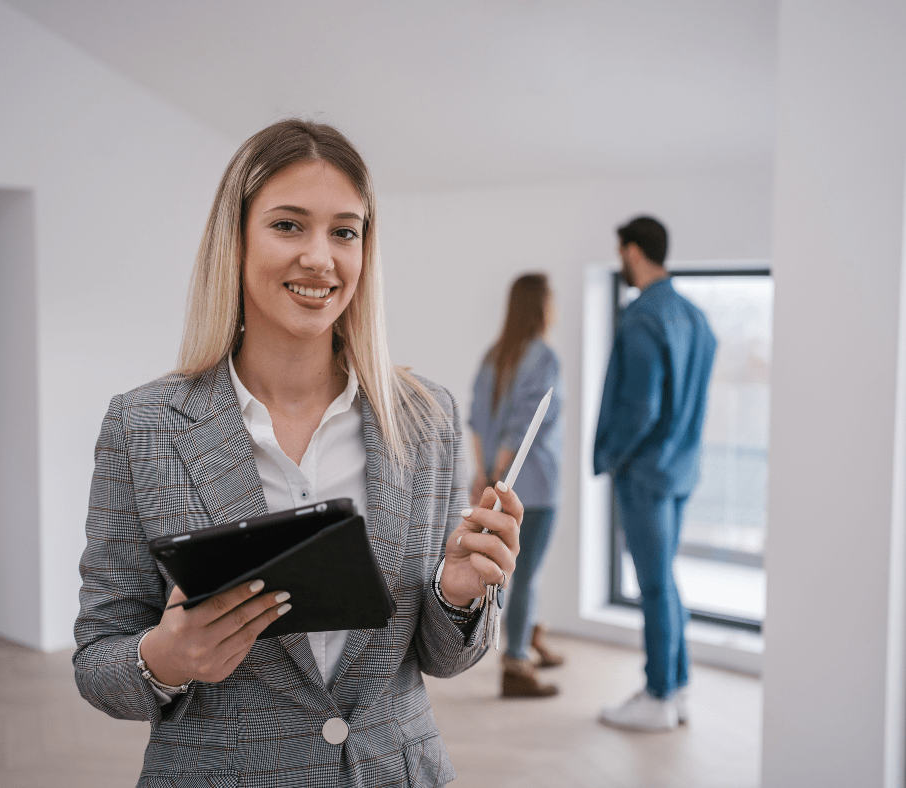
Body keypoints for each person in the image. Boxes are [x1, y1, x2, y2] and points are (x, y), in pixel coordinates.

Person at [73, 119, 523, 788]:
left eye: (345, 232)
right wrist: (168, 656)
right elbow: (97, 662)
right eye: (288, 225)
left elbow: (440, 659)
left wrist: (457, 593)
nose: (320, 257)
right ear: (236, 240)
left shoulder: (427, 418)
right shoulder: (143, 425)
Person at [593, 216, 716, 732]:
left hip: (645, 471)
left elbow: (640, 407)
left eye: (620, 252)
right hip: (681, 470)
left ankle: (658, 694)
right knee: (664, 579)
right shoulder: (695, 318)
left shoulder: (643, 316)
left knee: (653, 586)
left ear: (632, 251)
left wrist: (612, 456)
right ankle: (677, 686)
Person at [469, 273, 564, 698]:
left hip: (494, 480)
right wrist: (501, 473)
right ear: (542, 306)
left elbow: (476, 420)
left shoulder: (494, 355)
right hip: (534, 485)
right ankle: (516, 661)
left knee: (511, 572)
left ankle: (530, 634)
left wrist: (485, 474)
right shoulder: (544, 357)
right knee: (524, 575)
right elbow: (525, 425)